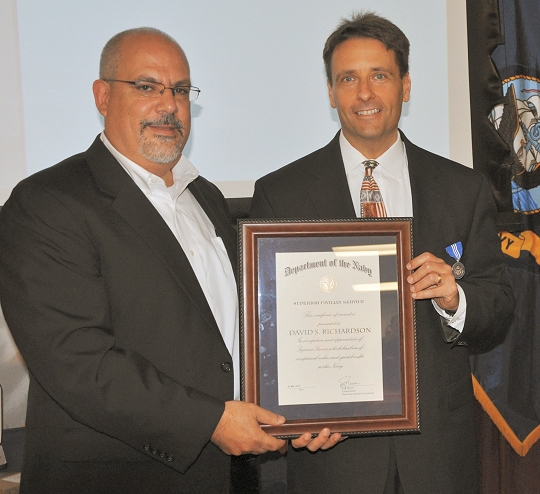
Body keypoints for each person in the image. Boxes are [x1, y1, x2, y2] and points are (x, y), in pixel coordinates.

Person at [0, 27, 287, 493]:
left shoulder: (207, 198)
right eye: (147, 86)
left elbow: (232, 337)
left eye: (179, 90)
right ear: (102, 95)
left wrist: (294, 409)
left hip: (221, 477)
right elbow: (77, 361)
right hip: (115, 477)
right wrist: (211, 420)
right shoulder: (46, 203)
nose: (169, 104)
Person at [250, 12, 515, 494]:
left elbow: (497, 309)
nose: (364, 93)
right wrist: (293, 410)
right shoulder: (281, 193)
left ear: (406, 86)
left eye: (379, 76)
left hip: (438, 450)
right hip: (332, 454)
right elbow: (268, 327)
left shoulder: (462, 188)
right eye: (348, 78)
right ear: (331, 93)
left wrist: (456, 298)